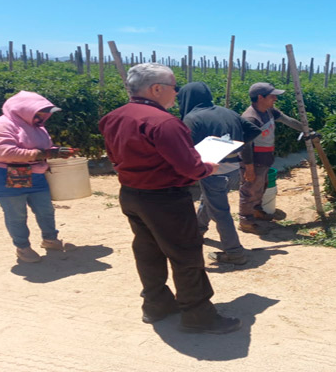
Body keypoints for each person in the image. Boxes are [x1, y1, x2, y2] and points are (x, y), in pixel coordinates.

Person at [98, 63, 240, 334]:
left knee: (147, 251)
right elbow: (190, 168)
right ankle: (198, 315)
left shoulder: (113, 117)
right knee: (185, 255)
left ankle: (156, 305)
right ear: (156, 89)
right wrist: (207, 166)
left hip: (131, 194)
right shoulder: (163, 122)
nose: (176, 93)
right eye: (174, 87)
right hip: (165, 199)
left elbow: (115, 157)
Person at [0, 90, 78, 263]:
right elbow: (6, 152)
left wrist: (55, 151)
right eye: (41, 113)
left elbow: (39, 149)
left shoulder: (35, 127)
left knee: (45, 209)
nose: (45, 117)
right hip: (5, 175)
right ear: (25, 110)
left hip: (35, 174)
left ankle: (50, 239)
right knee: (17, 214)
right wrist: (45, 153)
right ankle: (23, 247)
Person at [177, 82, 262, 265]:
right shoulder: (228, 112)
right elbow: (254, 130)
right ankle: (198, 230)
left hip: (213, 171)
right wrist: (232, 145)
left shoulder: (192, 118)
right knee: (210, 199)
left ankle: (235, 253)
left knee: (221, 212)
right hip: (233, 170)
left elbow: (186, 148)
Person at [239, 82, 303, 233]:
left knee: (261, 187)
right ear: (260, 97)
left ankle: (256, 211)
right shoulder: (250, 118)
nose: (275, 98)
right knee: (249, 191)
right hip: (254, 161)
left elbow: (288, 121)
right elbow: (245, 146)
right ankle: (245, 221)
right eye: (272, 95)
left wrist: (307, 130)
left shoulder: (269, 111)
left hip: (265, 159)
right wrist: (249, 168)